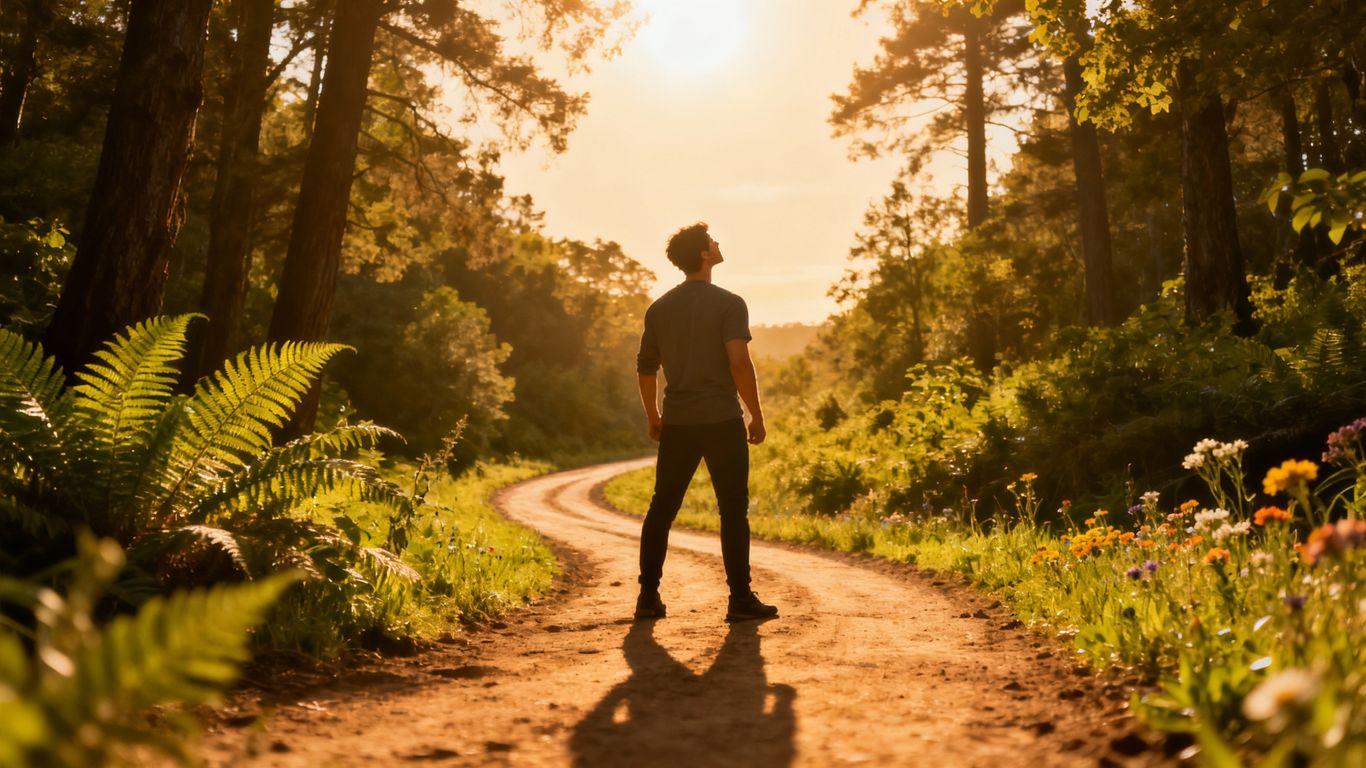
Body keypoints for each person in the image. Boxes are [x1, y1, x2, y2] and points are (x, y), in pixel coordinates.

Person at [633, 222, 778, 623]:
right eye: (712, 241)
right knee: (732, 509)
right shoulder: (730, 304)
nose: (717, 243)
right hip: (721, 420)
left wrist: (653, 416)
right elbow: (739, 363)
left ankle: (647, 596)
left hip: (678, 422)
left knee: (662, 507)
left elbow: (646, 367)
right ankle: (740, 599)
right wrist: (756, 413)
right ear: (702, 254)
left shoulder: (659, 309)